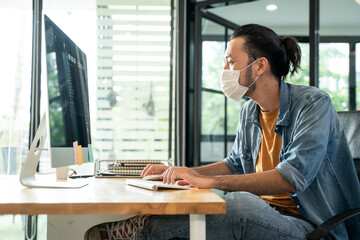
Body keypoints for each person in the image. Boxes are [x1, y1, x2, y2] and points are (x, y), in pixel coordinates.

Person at [85, 24, 360, 240]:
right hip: (268, 216)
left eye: (231, 61)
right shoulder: (250, 111)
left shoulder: (314, 104)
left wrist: (210, 182)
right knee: (211, 202)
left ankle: (140, 232)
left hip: (312, 226)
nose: (225, 70)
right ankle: (149, 224)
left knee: (238, 204)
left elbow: (291, 178)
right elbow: (235, 164)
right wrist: (181, 173)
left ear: (260, 65)